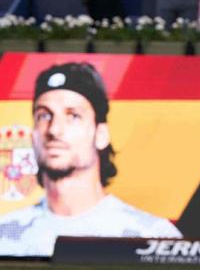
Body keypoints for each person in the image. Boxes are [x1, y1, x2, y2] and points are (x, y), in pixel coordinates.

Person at [0, 63, 182, 257]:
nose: (54, 130)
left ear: (101, 134)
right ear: (33, 134)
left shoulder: (152, 238)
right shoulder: (5, 236)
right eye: (44, 115)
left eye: (73, 116)